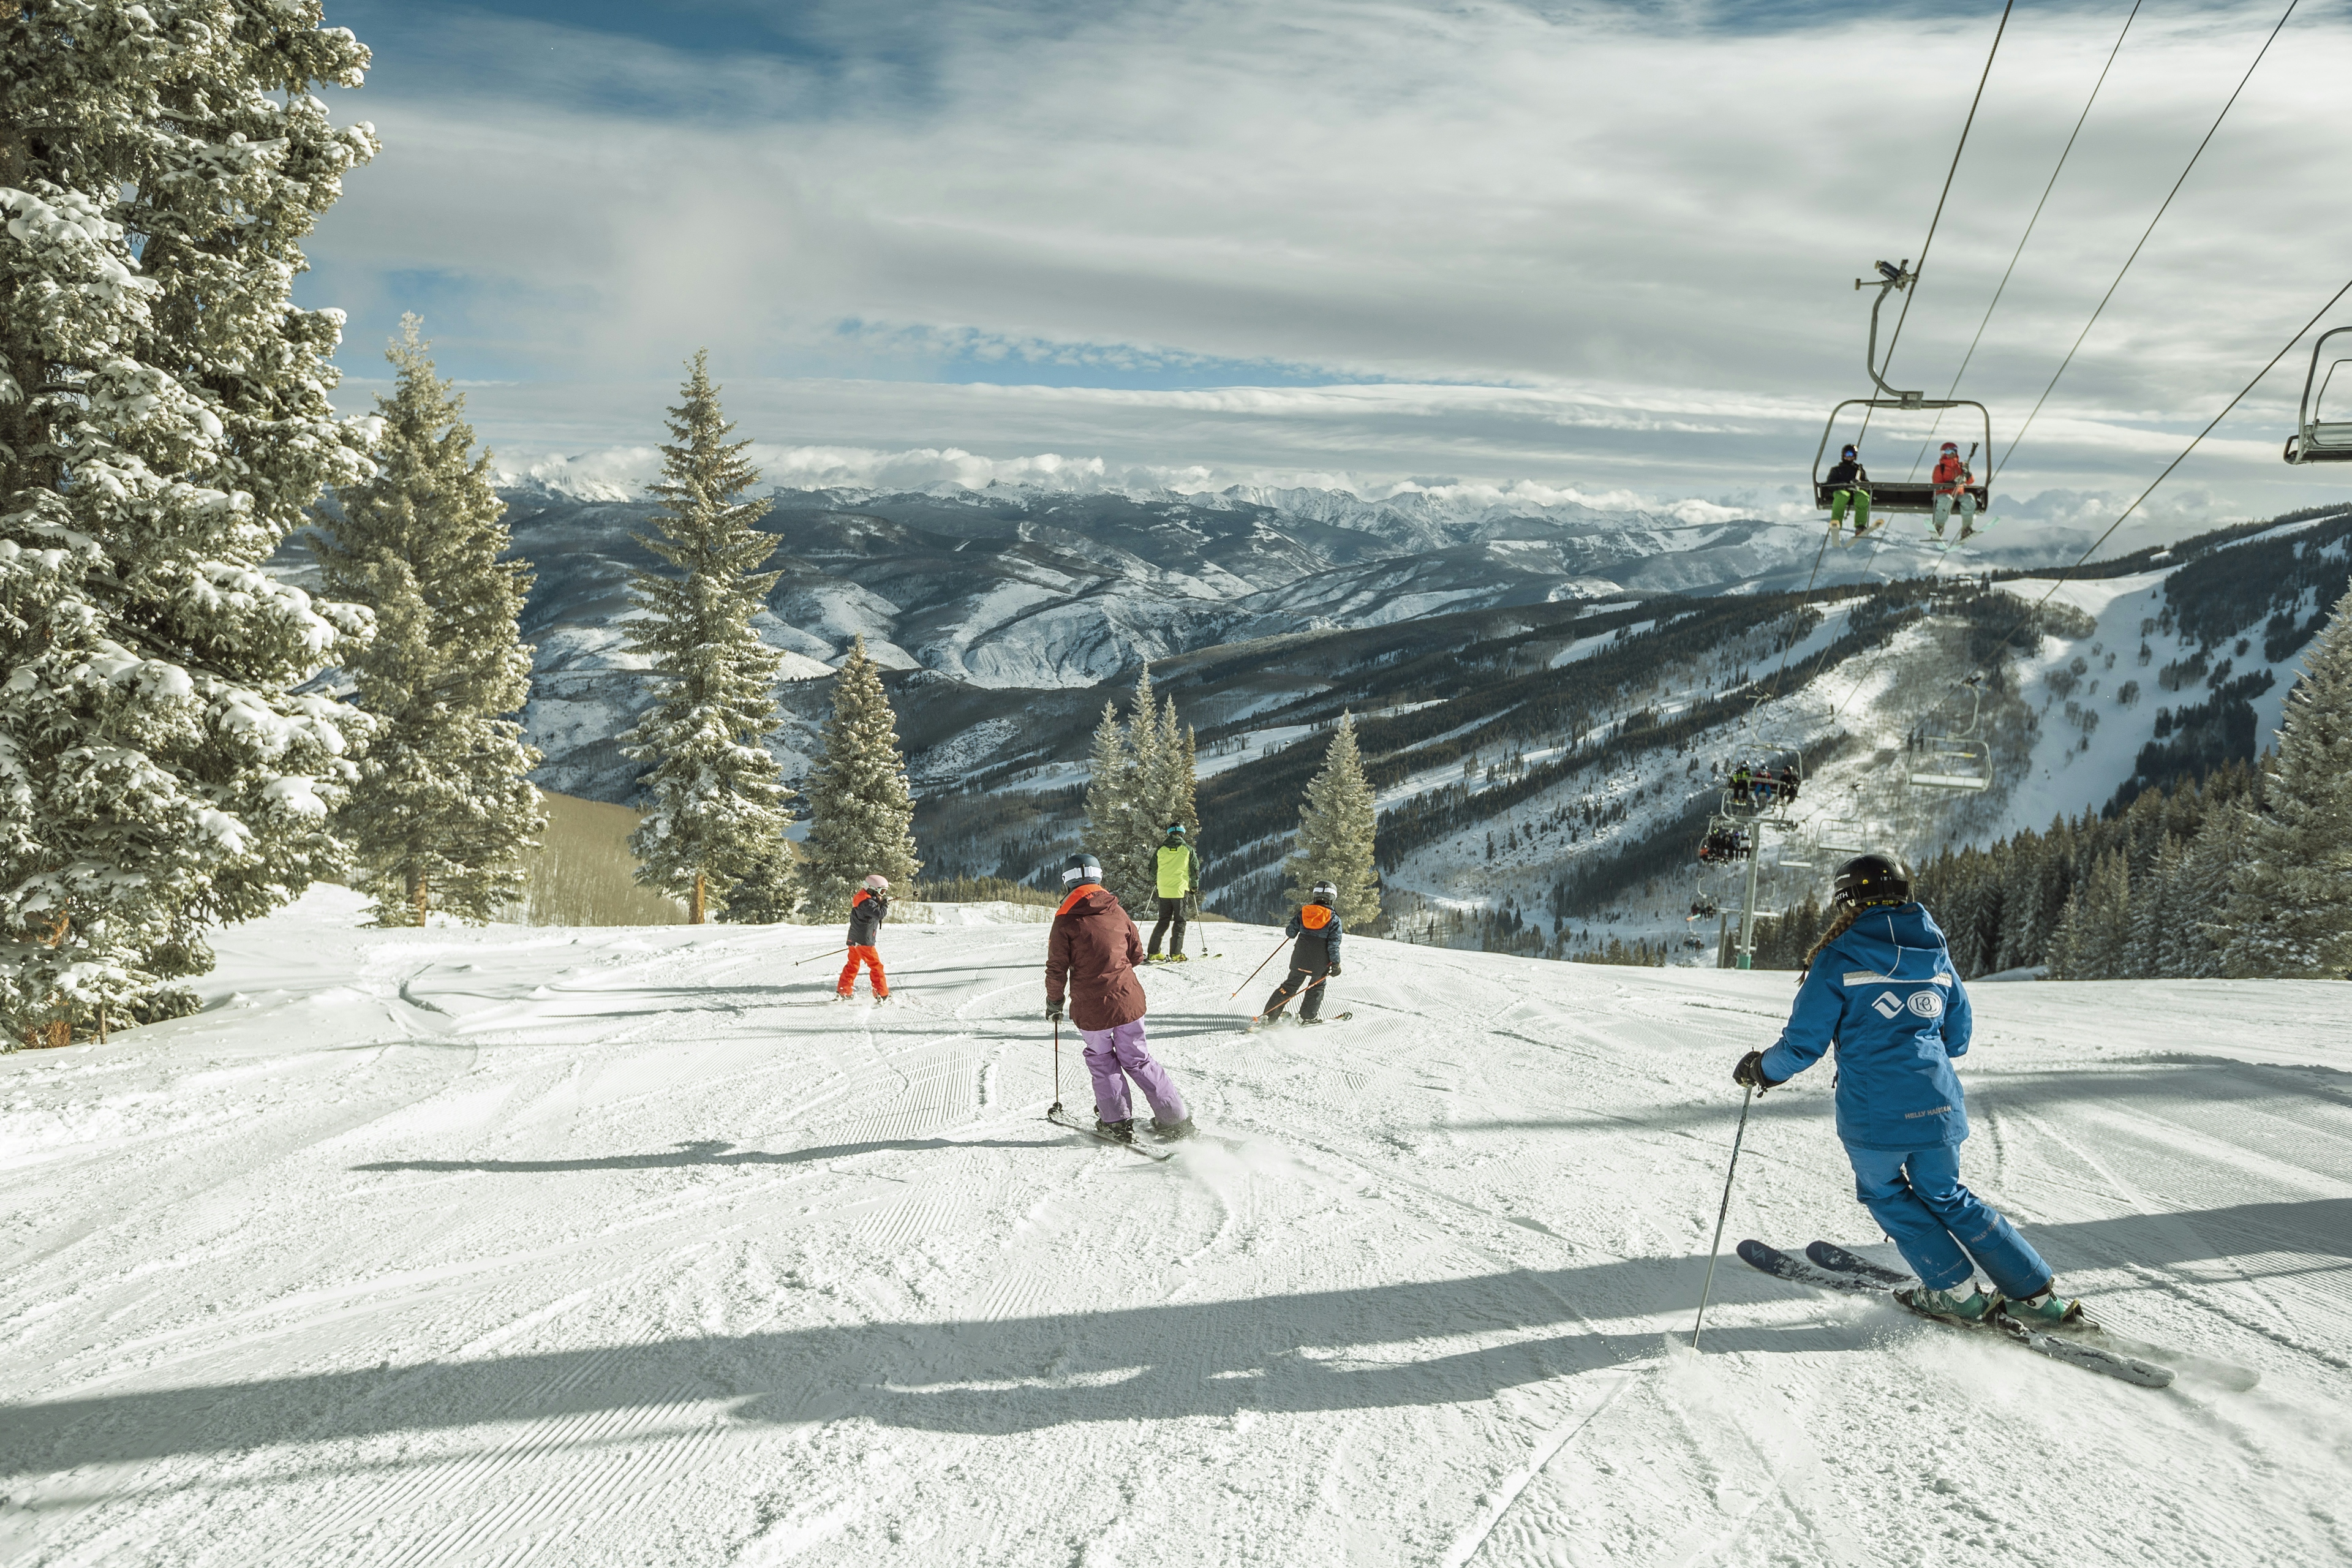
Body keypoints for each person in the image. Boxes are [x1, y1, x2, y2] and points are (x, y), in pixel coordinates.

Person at [1731, 852, 2082, 1328]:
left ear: (1846, 901)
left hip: (1875, 1114)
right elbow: (1957, 1038)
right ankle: (2036, 1295)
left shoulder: (1838, 958)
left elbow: (1802, 1046)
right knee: (1947, 1194)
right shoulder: (1935, 950)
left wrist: (1761, 1071)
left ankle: (1956, 1292)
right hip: (1938, 1104)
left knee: (1885, 1192)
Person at [1046, 851, 1194, 1143]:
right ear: (1099, 878)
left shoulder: (1065, 921)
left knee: (1102, 1061)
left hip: (1093, 1009)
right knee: (1138, 1059)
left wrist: (1054, 1003)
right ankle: (1174, 1118)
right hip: (1128, 1002)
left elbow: (1057, 968)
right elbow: (1137, 954)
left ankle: (1116, 1121)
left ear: (1067, 882)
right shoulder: (1117, 910)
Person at [1259, 880, 1343, 1026]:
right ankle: (1307, 1017)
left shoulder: (1304, 913)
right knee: (1317, 986)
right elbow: (1333, 946)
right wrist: (1336, 964)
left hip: (1300, 958)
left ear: (1315, 895)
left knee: (1289, 986)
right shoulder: (1334, 919)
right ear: (1333, 898)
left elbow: (1290, 933)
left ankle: (1269, 1016)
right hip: (1320, 962)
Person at [837, 874, 891, 1001]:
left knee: (853, 965)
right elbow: (879, 914)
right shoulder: (867, 903)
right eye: (881, 891)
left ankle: (844, 991)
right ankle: (881, 994)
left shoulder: (863, 899)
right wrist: (884, 905)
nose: (882, 895)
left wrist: (879, 901)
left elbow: (871, 908)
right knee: (876, 966)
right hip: (864, 942)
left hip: (854, 940)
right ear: (872, 889)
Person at [1147, 822, 1195, 962]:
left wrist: (1156, 881)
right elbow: (1195, 870)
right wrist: (1194, 887)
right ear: (1182, 833)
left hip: (1163, 891)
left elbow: (1152, 868)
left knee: (1163, 921)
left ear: (1169, 833)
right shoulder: (1187, 850)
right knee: (1179, 922)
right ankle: (1176, 954)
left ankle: (1153, 952)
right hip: (1180, 890)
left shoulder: (1160, 850)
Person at [1931, 441, 1978, 541]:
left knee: (1969, 499)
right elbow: (1937, 483)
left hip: (1958, 493)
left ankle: (1967, 528)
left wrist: (1968, 474)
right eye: (1947, 452)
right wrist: (1952, 482)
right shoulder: (1940, 468)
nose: (1950, 454)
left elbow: (1970, 481)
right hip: (1944, 494)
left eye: (1953, 451)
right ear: (1943, 453)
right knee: (1946, 500)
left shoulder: (1960, 467)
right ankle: (1939, 527)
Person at [1825, 443, 1871, 543]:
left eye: (1851, 454)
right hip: (1843, 491)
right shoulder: (1837, 470)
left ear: (1855, 456)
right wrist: (1844, 485)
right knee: (1841, 496)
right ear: (1843, 456)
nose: (1849, 457)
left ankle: (1860, 525)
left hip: (1856, 492)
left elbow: (1867, 484)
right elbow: (1830, 484)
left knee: (1863, 497)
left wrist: (1860, 484)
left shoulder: (1859, 470)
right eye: (1847, 454)